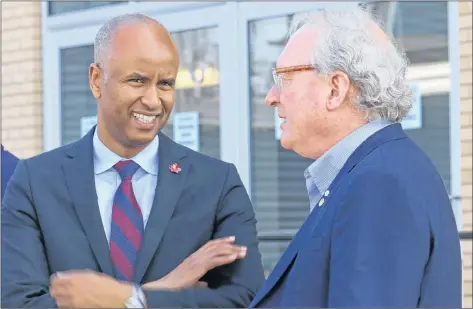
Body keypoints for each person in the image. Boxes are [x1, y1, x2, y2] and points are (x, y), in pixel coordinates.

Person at [1, 14, 265, 308]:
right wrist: (155, 292)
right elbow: (18, 304)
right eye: (137, 80)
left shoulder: (217, 184)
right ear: (96, 80)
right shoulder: (35, 181)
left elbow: (247, 300)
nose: (153, 100)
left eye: (165, 84)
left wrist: (132, 299)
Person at [249, 7, 462, 308]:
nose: (271, 96)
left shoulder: (378, 183)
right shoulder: (379, 170)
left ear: (335, 89)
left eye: (284, 78)